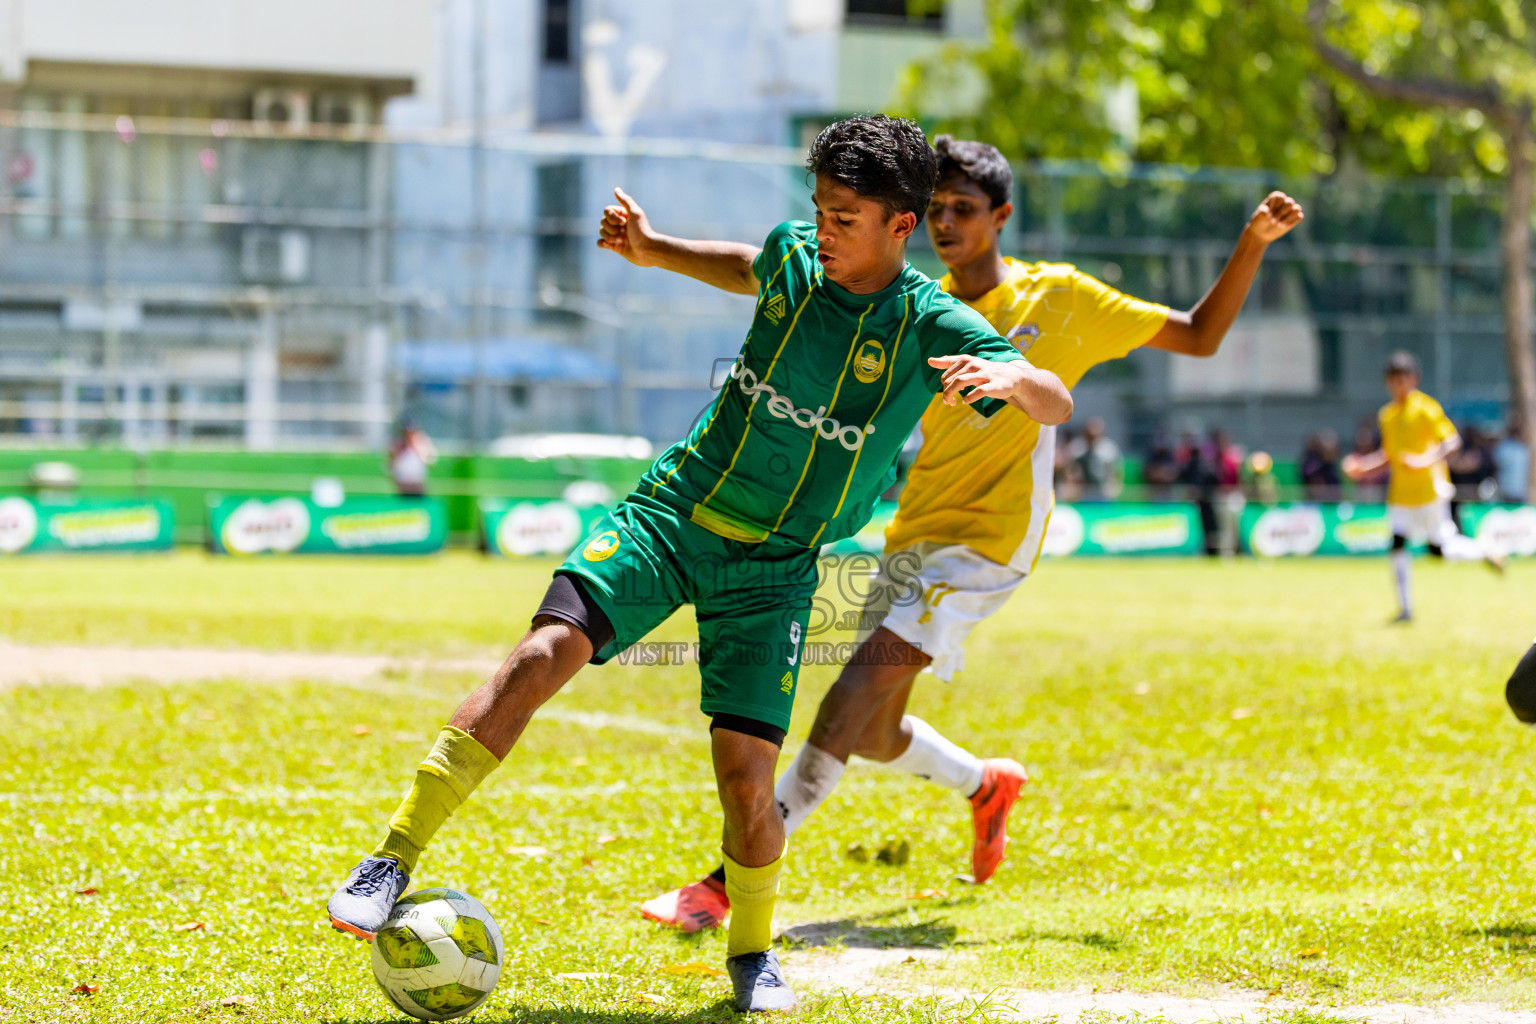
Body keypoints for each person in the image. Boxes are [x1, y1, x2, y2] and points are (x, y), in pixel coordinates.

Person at [324, 115, 1072, 1014]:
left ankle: (753, 957)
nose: (823, 230)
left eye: (845, 217)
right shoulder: (796, 253)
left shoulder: (929, 320)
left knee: (745, 779)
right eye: (821, 211)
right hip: (672, 514)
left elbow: (1053, 396)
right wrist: (652, 249)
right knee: (536, 658)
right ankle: (391, 860)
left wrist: (1011, 383)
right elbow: (750, 266)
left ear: (899, 227)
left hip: (778, 570)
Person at [637, 135, 1304, 933]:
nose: (947, 223)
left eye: (965, 209)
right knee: (877, 729)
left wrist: (1251, 244)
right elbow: (765, 267)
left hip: (986, 545)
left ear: (1002, 217)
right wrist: (654, 248)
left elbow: (1197, 336)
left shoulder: (1061, 299)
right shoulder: (910, 302)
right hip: (914, 532)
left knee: (847, 700)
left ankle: (719, 887)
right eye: (938, 209)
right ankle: (985, 784)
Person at [1342, 351, 1505, 624]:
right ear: (1388, 382)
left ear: (1415, 378)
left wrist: (1424, 460)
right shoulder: (1387, 415)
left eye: (1404, 378)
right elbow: (1388, 457)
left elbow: (1452, 442)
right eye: (1394, 379)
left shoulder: (1426, 409)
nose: (1399, 384)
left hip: (1429, 491)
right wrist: (1362, 467)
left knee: (1439, 549)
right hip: (1400, 495)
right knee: (1397, 544)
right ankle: (1405, 610)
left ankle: (1484, 551)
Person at [1072, 417, 1123, 500]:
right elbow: (1072, 470)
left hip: (1103, 493)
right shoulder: (1077, 448)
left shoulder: (1109, 449)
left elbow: (1116, 471)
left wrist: (1114, 489)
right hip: (1083, 493)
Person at [388, 420, 437, 497]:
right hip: (402, 484)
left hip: (418, 483)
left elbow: (431, 461)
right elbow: (390, 464)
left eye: (410, 432)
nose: (408, 435)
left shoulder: (422, 443)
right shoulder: (397, 444)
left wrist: (417, 448)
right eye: (406, 432)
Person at [1494, 415, 1529, 503]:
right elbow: (1497, 464)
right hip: (1506, 491)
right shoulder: (1503, 446)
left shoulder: (1523, 448)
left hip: (1521, 492)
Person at [1300, 430, 1342, 502]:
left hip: (1333, 504)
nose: (1330, 449)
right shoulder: (1312, 463)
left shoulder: (1334, 466)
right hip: (1314, 504)